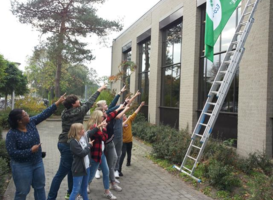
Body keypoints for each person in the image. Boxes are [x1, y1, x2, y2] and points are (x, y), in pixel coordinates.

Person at [47, 85, 106, 200]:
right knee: (61, 173)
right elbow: (89, 103)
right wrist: (99, 90)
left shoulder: (65, 112)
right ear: (74, 104)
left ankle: (70, 194)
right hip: (69, 144)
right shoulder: (78, 112)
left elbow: (86, 104)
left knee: (71, 170)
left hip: (63, 142)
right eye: (77, 100)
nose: (80, 101)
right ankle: (51, 197)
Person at [6, 94, 66, 200]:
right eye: (25, 115)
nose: (28, 115)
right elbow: (12, 153)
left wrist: (58, 102)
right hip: (21, 166)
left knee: (40, 188)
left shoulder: (31, 123)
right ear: (19, 121)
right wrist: (30, 151)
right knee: (22, 192)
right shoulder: (12, 134)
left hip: (37, 162)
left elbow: (44, 114)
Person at [86, 105, 124, 200]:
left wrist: (121, 108)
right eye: (103, 116)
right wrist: (104, 128)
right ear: (98, 118)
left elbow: (111, 116)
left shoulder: (101, 125)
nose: (105, 117)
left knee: (106, 172)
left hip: (101, 153)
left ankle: (107, 191)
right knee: (91, 174)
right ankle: (84, 187)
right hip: (95, 155)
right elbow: (103, 137)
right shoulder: (94, 127)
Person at [112, 90, 141, 179]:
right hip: (117, 139)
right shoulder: (116, 117)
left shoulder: (127, 119)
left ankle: (118, 169)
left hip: (125, 139)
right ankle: (115, 170)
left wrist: (135, 95)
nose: (124, 114)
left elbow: (127, 104)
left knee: (123, 153)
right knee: (117, 154)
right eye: (123, 113)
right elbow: (123, 107)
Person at [68, 123, 94, 200]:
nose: (84, 130)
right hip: (78, 169)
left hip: (86, 167)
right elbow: (81, 153)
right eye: (82, 129)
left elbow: (90, 132)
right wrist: (89, 146)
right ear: (78, 131)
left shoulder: (83, 138)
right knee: (76, 190)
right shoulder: (73, 142)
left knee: (84, 189)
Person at [118, 101, 145, 176]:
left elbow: (135, 113)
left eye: (125, 115)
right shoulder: (120, 123)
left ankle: (128, 162)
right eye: (123, 115)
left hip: (129, 140)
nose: (125, 116)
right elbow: (122, 125)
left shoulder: (129, 120)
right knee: (123, 154)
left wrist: (140, 105)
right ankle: (119, 170)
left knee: (129, 152)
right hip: (123, 141)